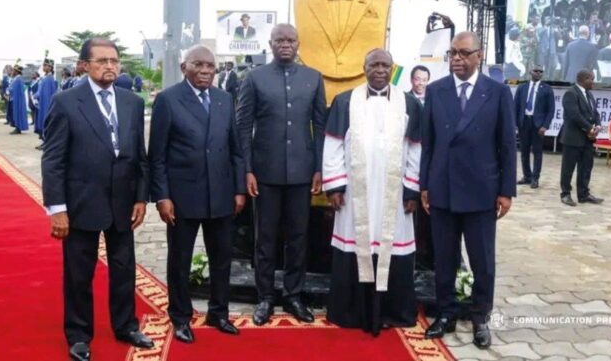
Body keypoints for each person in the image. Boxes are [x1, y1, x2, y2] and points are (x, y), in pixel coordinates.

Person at [42, 38, 153, 361]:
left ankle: (126, 325)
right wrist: (57, 209)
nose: (110, 66)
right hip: (81, 204)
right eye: (102, 61)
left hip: (123, 203)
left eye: (114, 61)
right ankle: (78, 335)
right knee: (79, 273)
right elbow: (53, 160)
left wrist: (141, 198)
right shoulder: (66, 102)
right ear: (85, 65)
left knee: (124, 269)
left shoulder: (132, 102)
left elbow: (139, 157)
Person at [420, 32, 516, 349]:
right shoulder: (436, 91)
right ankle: (445, 313)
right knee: (444, 258)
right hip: (443, 189)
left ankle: (480, 318)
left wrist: (506, 191)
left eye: (463, 53)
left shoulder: (498, 93)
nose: (457, 59)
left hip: (481, 192)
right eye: (452, 53)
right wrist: (424, 185)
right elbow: (428, 145)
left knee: (482, 261)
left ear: (479, 55)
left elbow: (506, 145)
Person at [148, 45, 246, 344]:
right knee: (180, 260)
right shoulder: (168, 100)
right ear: (184, 68)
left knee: (222, 259)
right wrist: (162, 196)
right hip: (182, 197)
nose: (205, 71)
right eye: (198, 65)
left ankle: (219, 312)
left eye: (210, 66)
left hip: (221, 195)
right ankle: (180, 317)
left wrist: (239, 188)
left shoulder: (224, 99)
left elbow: (235, 149)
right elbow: (157, 156)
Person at [322, 49, 422, 336]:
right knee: (356, 243)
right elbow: (333, 145)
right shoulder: (344, 101)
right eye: (374, 64)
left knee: (392, 246)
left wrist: (411, 189)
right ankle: (351, 312)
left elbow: (415, 148)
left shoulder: (410, 103)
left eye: (385, 65)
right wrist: (336, 185)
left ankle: (393, 311)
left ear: (392, 69)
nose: (380, 69)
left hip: (394, 195)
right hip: (356, 195)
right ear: (363, 67)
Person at [236, 23, 327, 326]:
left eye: (290, 40)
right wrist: (247, 169)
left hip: (302, 173)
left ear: (299, 43)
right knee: (265, 238)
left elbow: (320, 127)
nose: (285, 44)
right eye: (280, 40)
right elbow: (243, 127)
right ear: (270, 43)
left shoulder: (313, 78)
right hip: (265, 173)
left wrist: (318, 168)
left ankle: (293, 295)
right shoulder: (254, 78)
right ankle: (265, 297)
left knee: (299, 237)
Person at [559, 70, 604, 206]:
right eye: (592, 79)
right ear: (584, 79)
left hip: (587, 139)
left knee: (586, 167)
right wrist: (590, 128)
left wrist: (597, 126)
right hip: (573, 138)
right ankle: (565, 194)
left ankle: (584, 194)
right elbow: (574, 115)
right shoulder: (570, 93)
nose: (593, 82)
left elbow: (595, 113)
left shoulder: (589, 94)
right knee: (568, 168)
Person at [514, 65, 556, 188]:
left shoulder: (547, 89)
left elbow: (551, 110)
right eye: (536, 71)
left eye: (540, 72)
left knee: (537, 152)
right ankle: (527, 176)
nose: (538, 73)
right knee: (524, 151)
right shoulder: (522, 87)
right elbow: (515, 106)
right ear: (530, 72)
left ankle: (535, 178)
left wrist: (545, 126)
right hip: (524, 123)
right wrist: (515, 123)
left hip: (538, 125)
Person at [34, 59, 58, 145]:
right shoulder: (45, 77)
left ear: (50, 67)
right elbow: (40, 91)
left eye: (45, 65)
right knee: (42, 121)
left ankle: (47, 142)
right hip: (42, 103)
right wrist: (35, 96)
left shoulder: (50, 79)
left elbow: (49, 94)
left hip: (46, 104)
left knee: (46, 121)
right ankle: (44, 140)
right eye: (43, 65)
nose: (43, 67)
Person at [7, 65, 29, 135]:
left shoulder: (18, 79)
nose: (12, 72)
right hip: (14, 98)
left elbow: (17, 89)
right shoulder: (15, 79)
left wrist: (9, 90)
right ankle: (16, 127)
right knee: (15, 113)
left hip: (17, 98)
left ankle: (18, 128)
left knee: (17, 113)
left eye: (13, 70)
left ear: (16, 72)